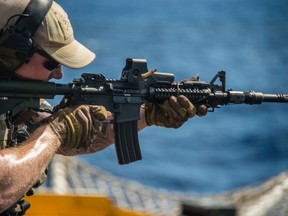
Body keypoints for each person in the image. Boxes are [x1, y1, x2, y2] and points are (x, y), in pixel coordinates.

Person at [0, 0, 206, 215]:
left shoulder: (14, 98)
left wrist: (146, 114)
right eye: (52, 62)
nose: (59, 74)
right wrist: (53, 134)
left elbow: (61, 133)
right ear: (10, 50)